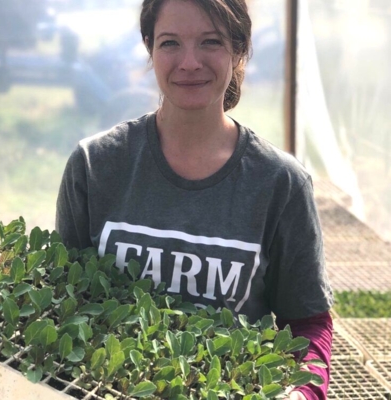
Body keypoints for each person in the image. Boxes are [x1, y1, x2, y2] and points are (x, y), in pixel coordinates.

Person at [56, 0, 333, 399]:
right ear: (149, 47)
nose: (189, 62)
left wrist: (301, 394)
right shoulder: (94, 166)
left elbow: (309, 322)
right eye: (170, 43)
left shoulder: (279, 183)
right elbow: (64, 303)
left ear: (239, 50)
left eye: (210, 42)